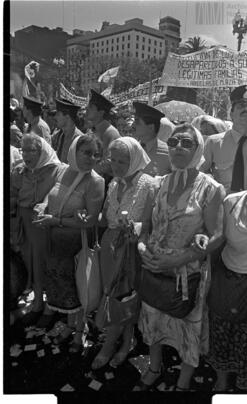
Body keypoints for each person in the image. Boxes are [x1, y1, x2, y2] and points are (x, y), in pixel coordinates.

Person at [134, 123, 225, 390]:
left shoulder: (210, 189)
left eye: (186, 143)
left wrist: (181, 258)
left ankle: (183, 383)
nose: (178, 148)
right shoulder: (159, 183)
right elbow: (145, 227)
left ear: (198, 149)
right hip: (154, 267)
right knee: (153, 321)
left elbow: (217, 235)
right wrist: (141, 247)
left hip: (187, 272)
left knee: (187, 330)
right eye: (173, 142)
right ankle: (154, 367)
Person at [88, 136, 158, 370]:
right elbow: (106, 216)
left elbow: (150, 223)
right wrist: (86, 216)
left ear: (136, 158)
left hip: (130, 249)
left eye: (122, 161)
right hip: (110, 247)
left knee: (122, 298)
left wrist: (137, 228)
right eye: (113, 160)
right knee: (119, 298)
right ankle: (126, 341)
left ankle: (109, 347)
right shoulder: (114, 183)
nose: (116, 166)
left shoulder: (149, 184)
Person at [34, 134, 105, 349]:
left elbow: (90, 220)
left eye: (96, 154)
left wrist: (55, 220)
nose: (91, 158)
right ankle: (69, 325)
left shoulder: (96, 181)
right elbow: (51, 195)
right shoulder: (63, 170)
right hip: (55, 242)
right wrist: (43, 206)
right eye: (86, 152)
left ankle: (79, 331)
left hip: (76, 245)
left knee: (79, 287)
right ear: (74, 151)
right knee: (63, 287)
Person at [207, 151, 247, 391]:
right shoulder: (232, 202)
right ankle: (221, 381)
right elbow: (216, 238)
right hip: (227, 279)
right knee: (221, 334)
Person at [10, 134, 66, 325]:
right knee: (29, 261)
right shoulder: (19, 171)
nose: (25, 154)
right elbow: (11, 195)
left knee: (43, 263)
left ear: (41, 151)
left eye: (30, 150)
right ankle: (37, 300)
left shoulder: (57, 170)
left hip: (43, 225)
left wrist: (44, 204)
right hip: (25, 224)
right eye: (23, 149)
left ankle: (47, 306)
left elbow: (58, 194)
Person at [201, 85, 247, 194]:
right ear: (231, 113)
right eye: (241, 106)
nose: (246, 109)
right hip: (222, 205)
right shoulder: (213, 142)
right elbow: (201, 173)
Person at [86, 89, 120, 184]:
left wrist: (88, 169)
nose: (86, 108)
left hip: (103, 183)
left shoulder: (110, 132)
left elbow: (110, 162)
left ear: (101, 112)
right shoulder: (91, 130)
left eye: (91, 107)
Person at [133, 101, 171, 177]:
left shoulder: (168, 153)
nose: (133, 125)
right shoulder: (132, 148)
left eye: (137, 122)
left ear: (151, 127)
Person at [51, 98, 84, 163]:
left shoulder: (79, 139)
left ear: (67, 116)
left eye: (58, 114)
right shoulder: (61, 135)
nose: (55, 117)